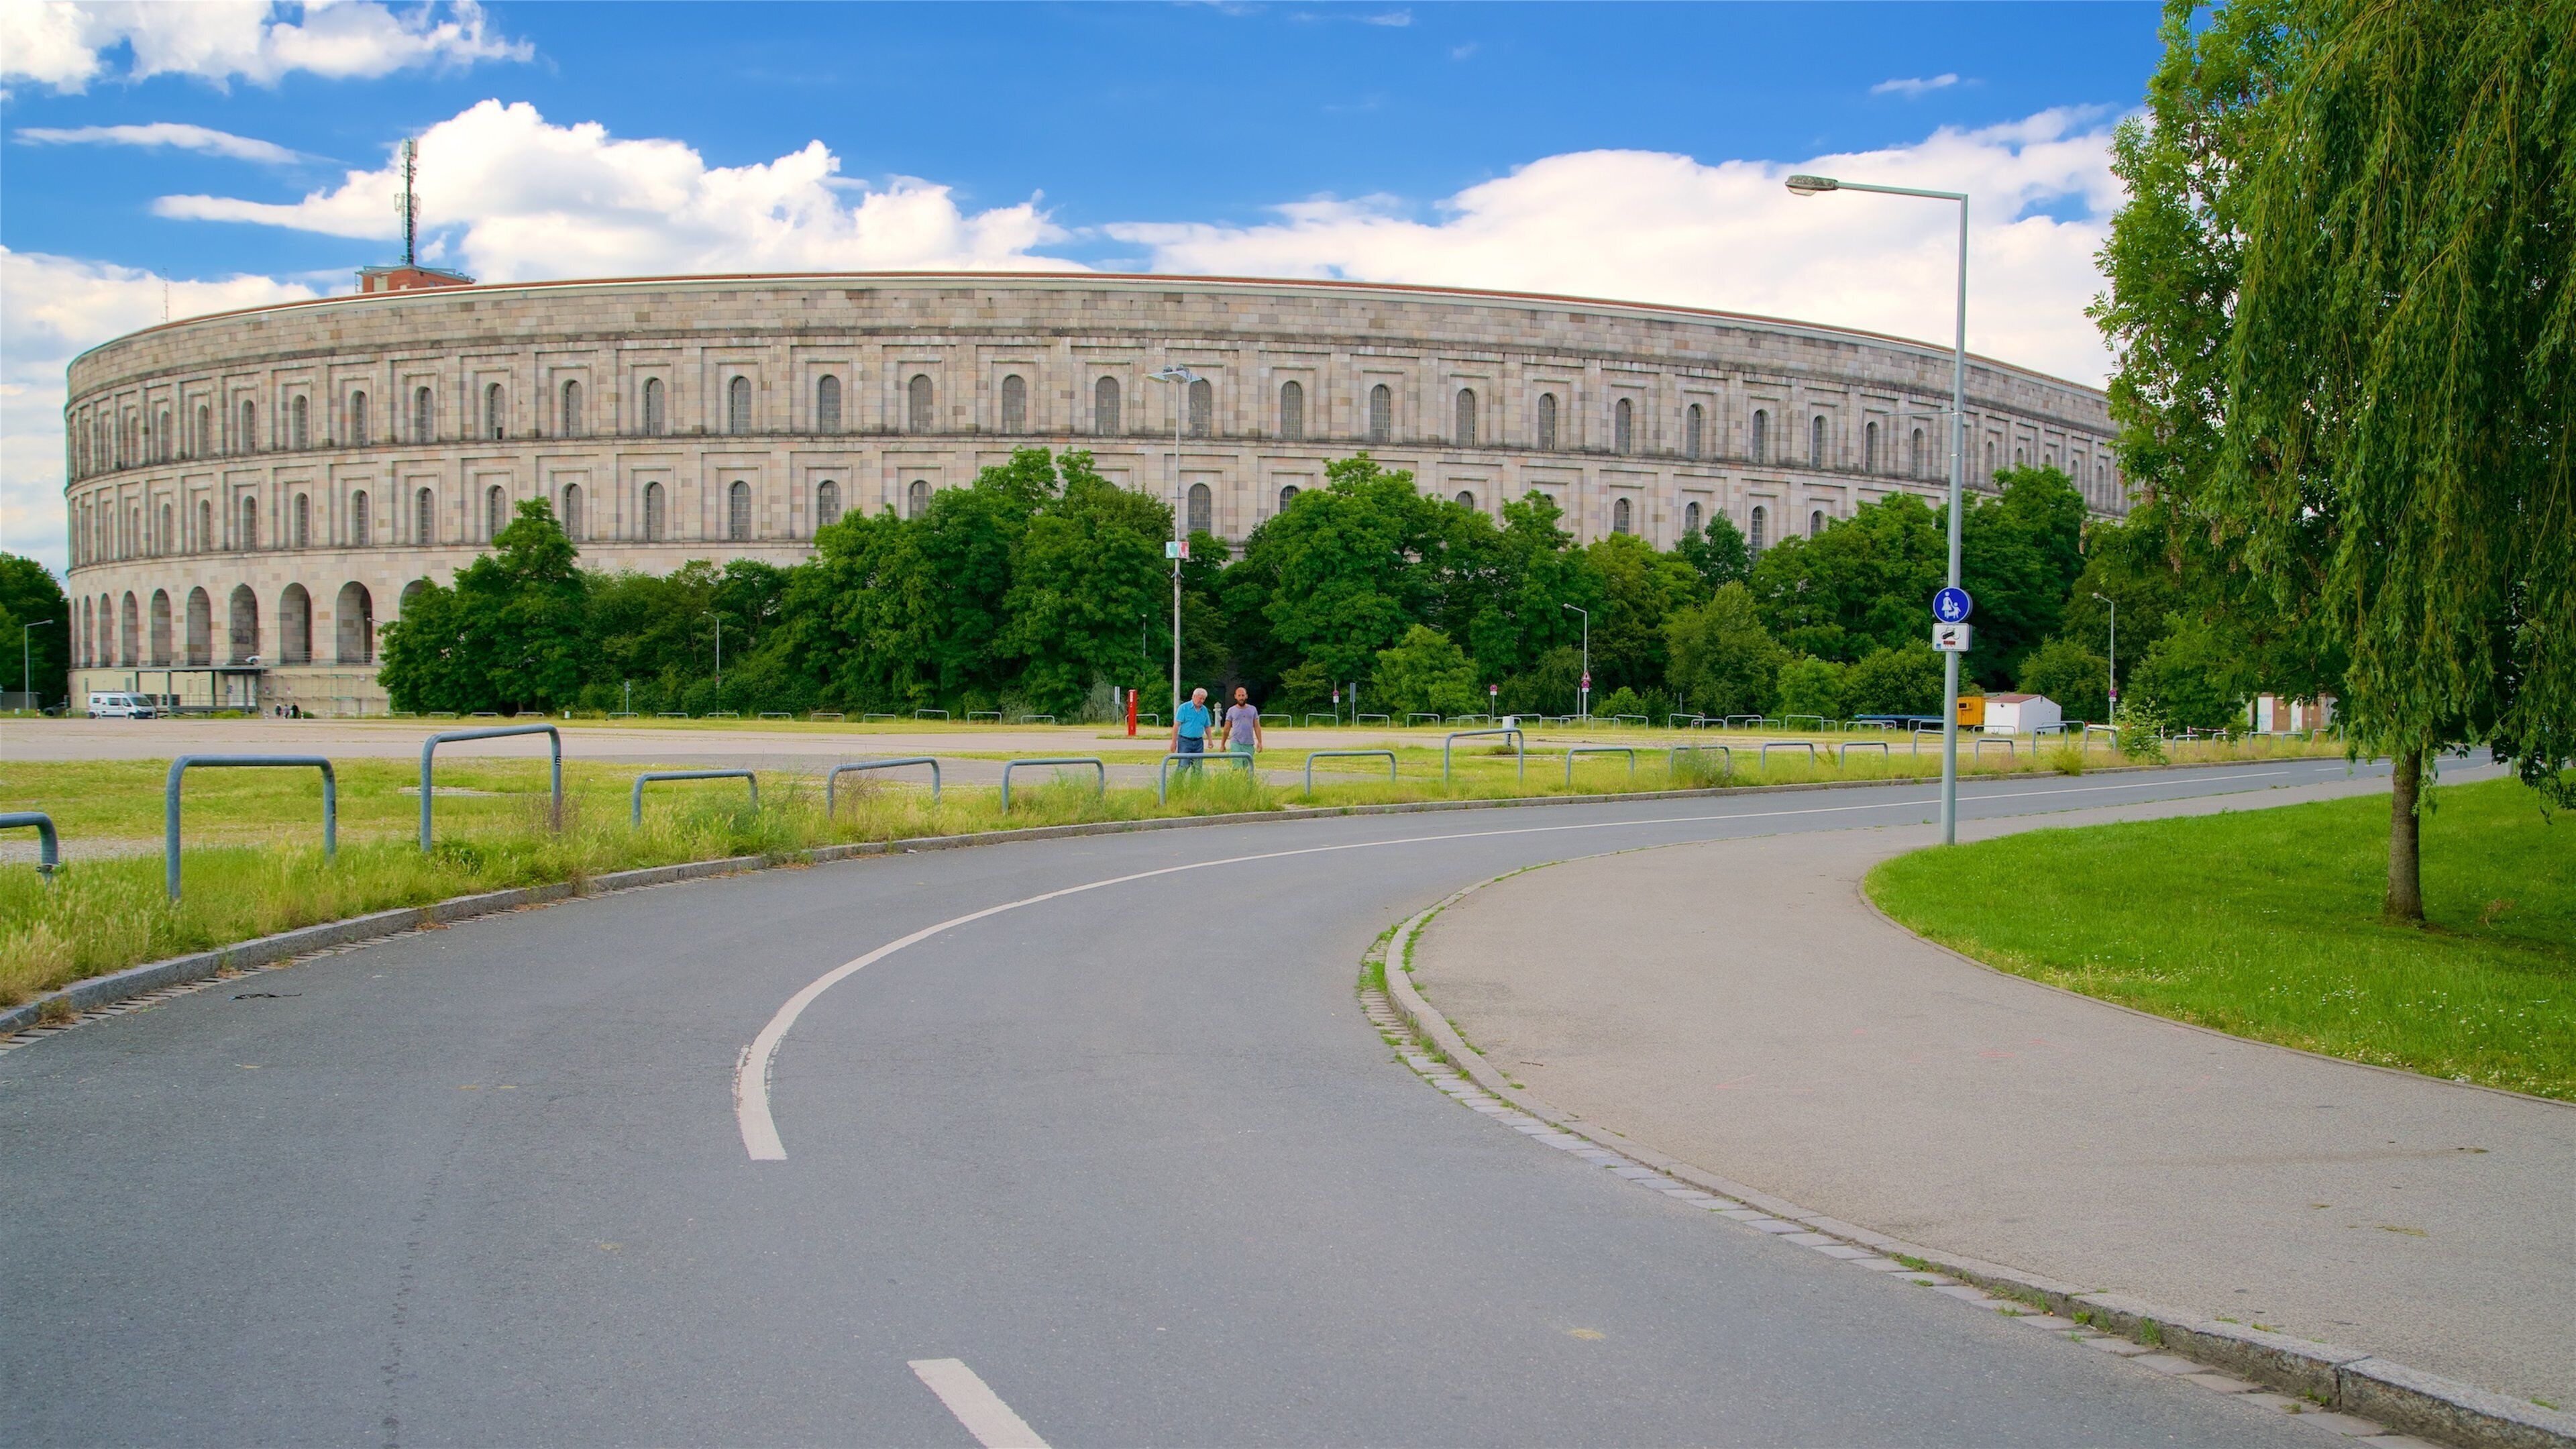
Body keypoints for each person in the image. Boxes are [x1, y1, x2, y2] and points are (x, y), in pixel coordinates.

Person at [1171, 686, 1211, 771]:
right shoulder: (1184, 708)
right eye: (1200, 699)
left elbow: (1207, 726)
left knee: (1197, 768)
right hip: (1185, 741)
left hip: (1199, 742)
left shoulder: (1204, 710)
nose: (1202, 701)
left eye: (1204, 699)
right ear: (1194, 697)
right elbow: (1176, 725)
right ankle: (1178, 784)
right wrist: (1174, 742)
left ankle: (1195, 784)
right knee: (1183, 766)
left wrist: (1210, 740)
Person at [1224, 685, 1263, 757]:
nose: (1241, 698)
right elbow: (1227, 729)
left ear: (1246, 696)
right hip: (1236, 742)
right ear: (1235, 696)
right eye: (1239, 695)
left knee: (1248, 767)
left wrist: (1260, 742)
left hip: (1249, 743)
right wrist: (1223, 744)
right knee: (1237, 766)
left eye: (1243, 695)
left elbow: (1257, 727)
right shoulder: (1231, 710)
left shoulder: (1253, 709)